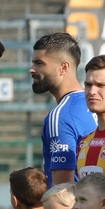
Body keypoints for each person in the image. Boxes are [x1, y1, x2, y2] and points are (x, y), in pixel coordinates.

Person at [30, 33, 95, 186]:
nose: (31, 69)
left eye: (39, 63)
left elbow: (62, 191)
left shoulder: (60, 116)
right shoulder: (95, 105)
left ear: (63, 67)